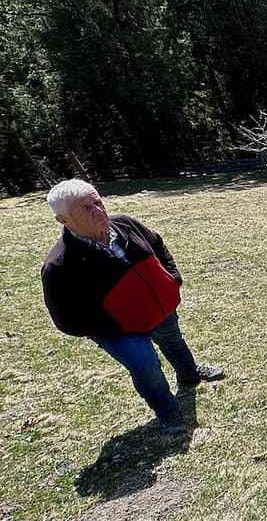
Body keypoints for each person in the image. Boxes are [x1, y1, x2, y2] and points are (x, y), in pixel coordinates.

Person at [41, 179, 224, 435]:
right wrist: (118, 323)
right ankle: (167, 409)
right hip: (118, 330)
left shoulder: (126, 224)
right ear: (63, 220)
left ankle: (188, 373)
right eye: (86, 208)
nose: (98, 210)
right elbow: (66, 320)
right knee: (145, 365)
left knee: (173, 340)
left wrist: (172, 280)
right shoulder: (59, 266)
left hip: (159, 308)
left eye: (97, 202)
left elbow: (158, 245)